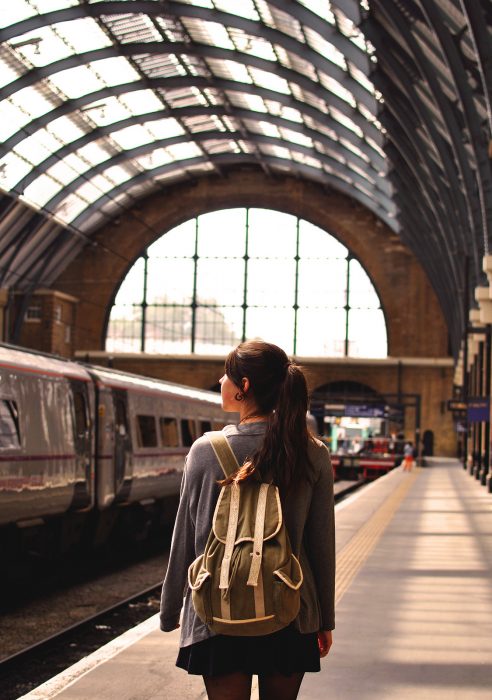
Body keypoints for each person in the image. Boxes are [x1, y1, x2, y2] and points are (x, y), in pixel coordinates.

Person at [160, 340, 335, 700]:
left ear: (244, 387)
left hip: (217, 608)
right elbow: (321, 544)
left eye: (227, 375)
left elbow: (186, 536)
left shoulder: (205, 450)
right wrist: (324, 619)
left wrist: (170, 609)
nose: (221, 381)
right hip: (291, 608)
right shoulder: (312, 452)